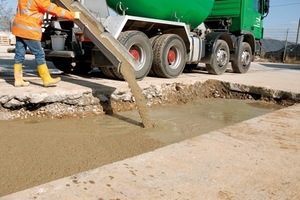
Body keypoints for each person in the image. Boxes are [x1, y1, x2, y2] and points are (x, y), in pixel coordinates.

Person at [12, 0, 79, 87]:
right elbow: (55, 10)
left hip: (19, 28)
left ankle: (18, 80)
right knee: (39, 54)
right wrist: (72, 15)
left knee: (19, 54)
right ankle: (46, 79)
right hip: (29, 30)